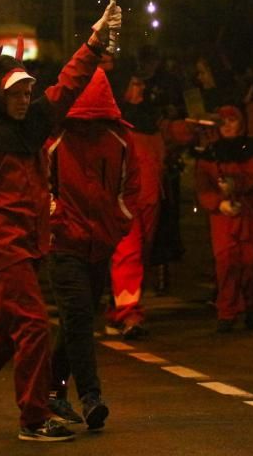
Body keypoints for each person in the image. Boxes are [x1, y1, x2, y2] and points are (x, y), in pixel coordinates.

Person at [0, 3, 120, 443]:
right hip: (1, 246)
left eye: (26, 93)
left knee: (6, 332)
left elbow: (68, 84)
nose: (22, 100)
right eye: (14, 93)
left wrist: (94, 40)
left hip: (26, 244)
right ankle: (33, 418)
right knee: (33, 325)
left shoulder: (30, 126)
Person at [45, 68, 141, 430]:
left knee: (75, 319)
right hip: (65, 245)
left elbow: (130, 187)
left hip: (99, 243)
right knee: (80, 317)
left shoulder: (119, 140)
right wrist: (58, 224)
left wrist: (118, 224)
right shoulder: (57, 139)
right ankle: (90, 396)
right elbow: (44, 188)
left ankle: (52, 392)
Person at [197, 105, 253, 332]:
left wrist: (235, 184)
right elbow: (203, 187)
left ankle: (252, 307)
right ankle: (226, 313)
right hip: (223, 219)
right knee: (226, 265)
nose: (228, 125)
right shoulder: (209, 154)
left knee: (252, 264)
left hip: (250, 216)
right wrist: (219, 202)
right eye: (223, 121)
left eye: (233, 120)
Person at [105, 70, 162, 339]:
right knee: (128, 254)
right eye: (134, 84)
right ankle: (129, 313)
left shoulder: (152, 120)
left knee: (142, 254)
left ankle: (120, 308)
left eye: (142, 84)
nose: (140, 90)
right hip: (124, 199)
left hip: (150, 198)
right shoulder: (115, 122)